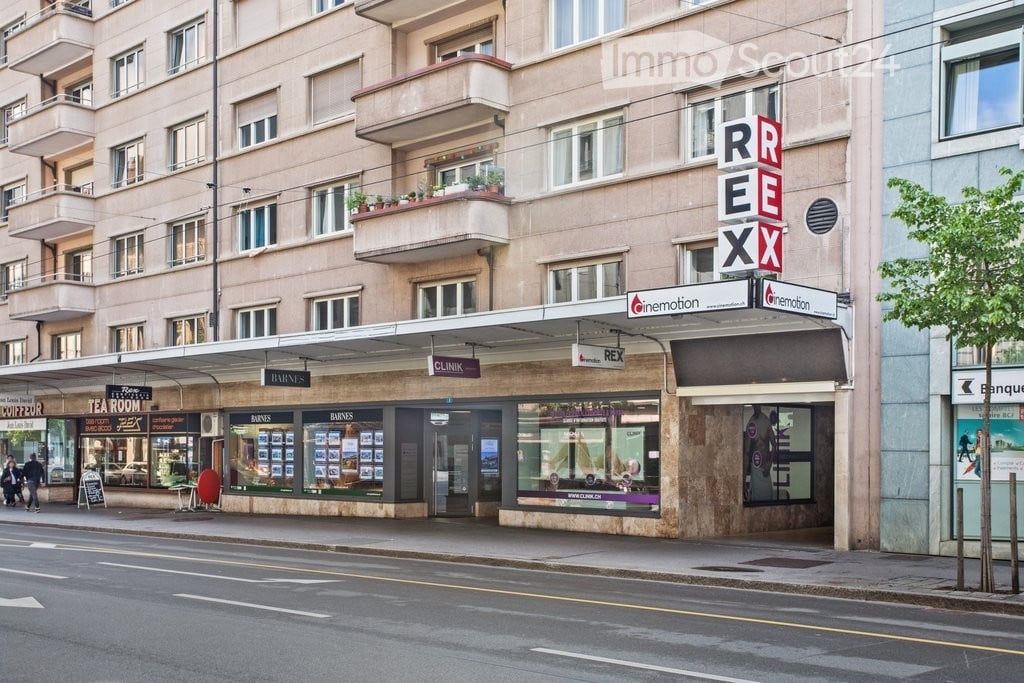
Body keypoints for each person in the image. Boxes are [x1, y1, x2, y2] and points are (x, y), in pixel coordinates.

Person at [744, 405, 777, 502]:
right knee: (755, 503)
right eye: (754, 404)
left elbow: (774, 444)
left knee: (768, 498)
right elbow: (746, 453)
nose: (756, 406)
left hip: (765, 469)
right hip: (755, 469)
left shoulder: (766, 421)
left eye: (758, 404)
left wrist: (769, 465)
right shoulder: (750, 424)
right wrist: (743, 480)